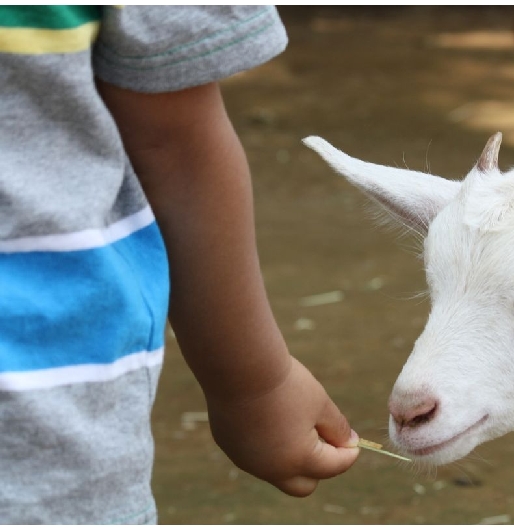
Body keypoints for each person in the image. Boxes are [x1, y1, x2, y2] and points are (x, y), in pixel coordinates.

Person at [0, 6, 360, 524]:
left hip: (55, 446)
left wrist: (256, 386)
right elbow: (175, 143)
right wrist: (257, 387)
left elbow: (175, 139)